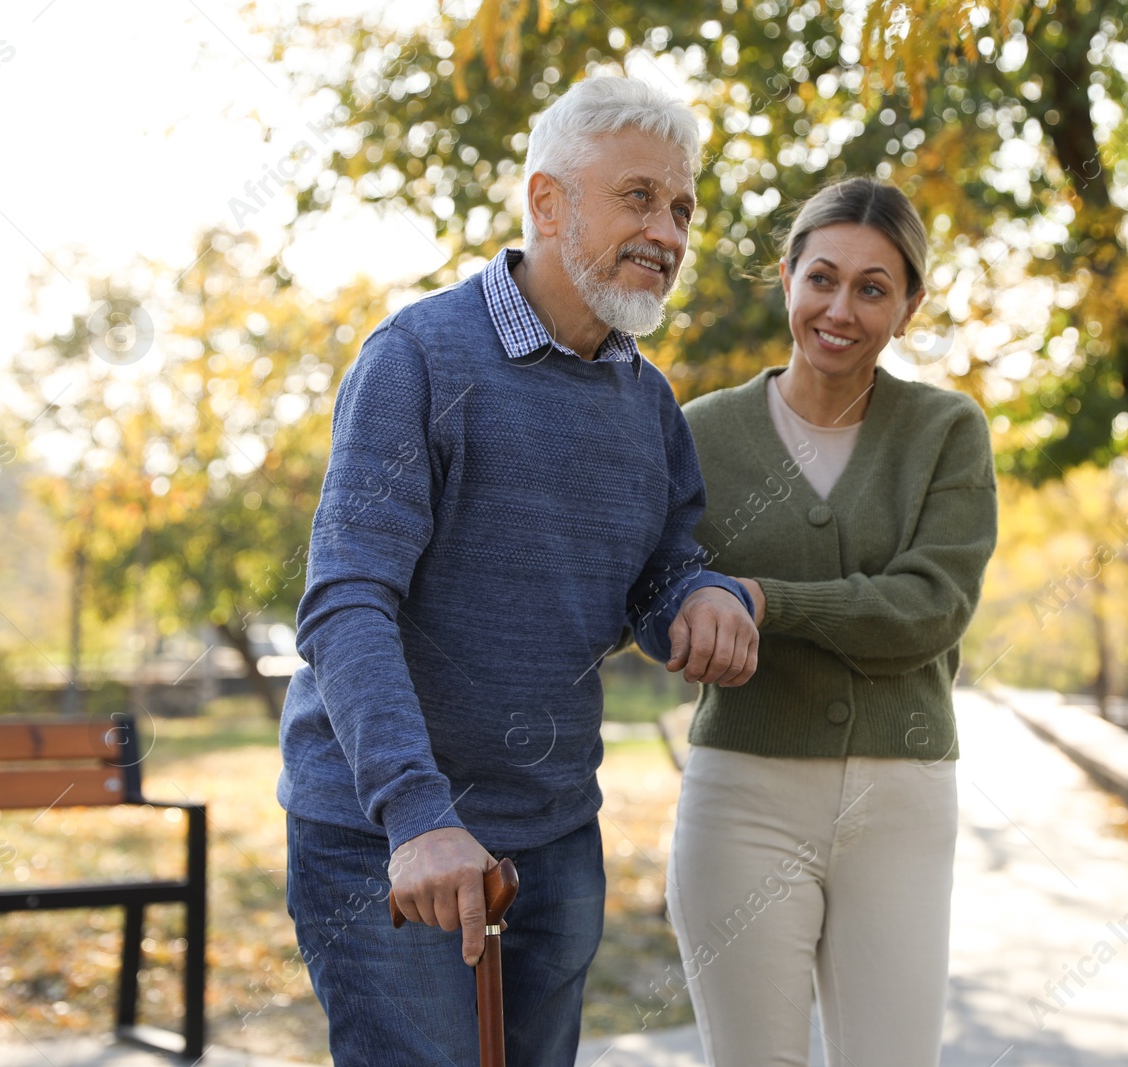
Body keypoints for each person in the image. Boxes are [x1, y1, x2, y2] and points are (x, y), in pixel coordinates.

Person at [277, 75, 759, 1067]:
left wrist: (697, 594)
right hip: (389, 837)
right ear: (547, 202)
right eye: (638, 196)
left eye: (680, 209)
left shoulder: (648, 401)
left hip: (552, 834)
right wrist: (417, 816)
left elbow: (657, 568)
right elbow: (345, 605)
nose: (667, 232)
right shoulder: (418, 359)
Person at [667, 177, 998, 1066]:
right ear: (787, 279)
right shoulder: (699, 434)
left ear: (909, 306)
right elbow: (654, 593)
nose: (840, 308)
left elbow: (928, 610)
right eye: (823, 277)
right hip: (742, 796)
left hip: (900, 800)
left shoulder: (944, 432)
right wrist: (692, 612)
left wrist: (765, 601)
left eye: (873, 287)